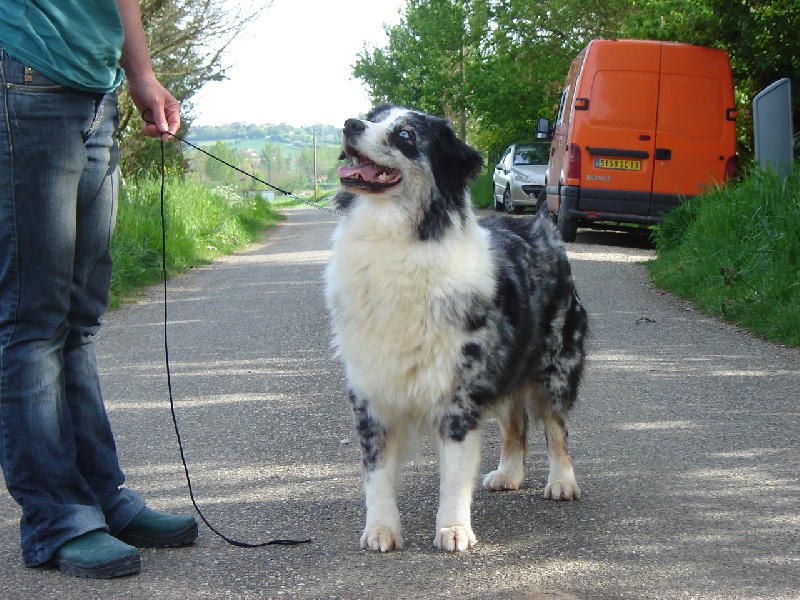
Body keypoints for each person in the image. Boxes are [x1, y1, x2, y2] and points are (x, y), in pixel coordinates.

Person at [0, 0, 198, 579]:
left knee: (79, 317)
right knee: (32, 317)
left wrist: (140, 73)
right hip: (26, 77)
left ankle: (101, 499)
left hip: (96, 89)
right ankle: (58, 518)